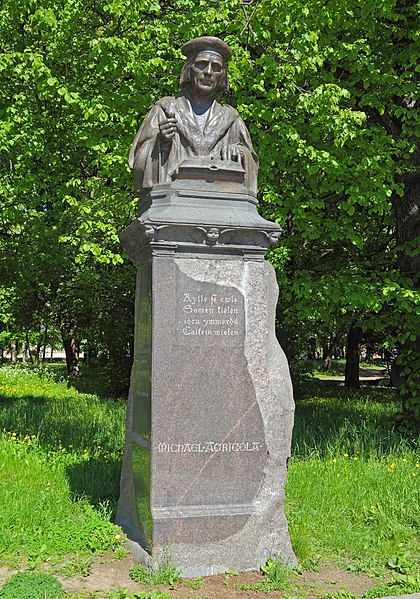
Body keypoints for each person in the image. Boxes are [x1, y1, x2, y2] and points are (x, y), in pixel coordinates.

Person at [129, 36, 259, 194]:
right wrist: (161, 142)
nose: (208, 72)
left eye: (216, 67)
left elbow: (251, 162)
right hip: (175, 199)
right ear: (189, 69)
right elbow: (138, 161)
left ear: (223, 76)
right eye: (201, 65)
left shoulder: (232, 119)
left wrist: (239, 152)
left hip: (220, 199)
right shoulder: (164, 110)